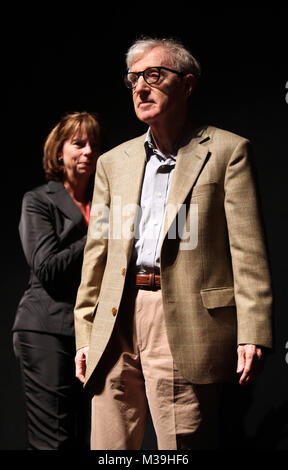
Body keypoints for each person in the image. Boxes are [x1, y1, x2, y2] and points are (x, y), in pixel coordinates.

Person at [74, 37, 273, 450]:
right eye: (133, 80)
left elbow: (248, 251)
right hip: (116, 319)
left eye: (153, 76)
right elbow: (99, 255)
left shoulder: (226, 151)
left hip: (183, 318)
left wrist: (253, 330)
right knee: (109, 449)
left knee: (181, 446)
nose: (140, 89)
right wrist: (84, 333)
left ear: (186, 85)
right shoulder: (115, 162)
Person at [13, 111, 104, 450]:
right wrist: (98, 232)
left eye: (94, 145)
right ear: (58, 152)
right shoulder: (38, 200)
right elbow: (47, 268)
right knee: (54, 442)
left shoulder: (103, 203)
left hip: (89, 333)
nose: (88, 152)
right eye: (78, 144)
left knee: (86, 439)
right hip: (45, 327)